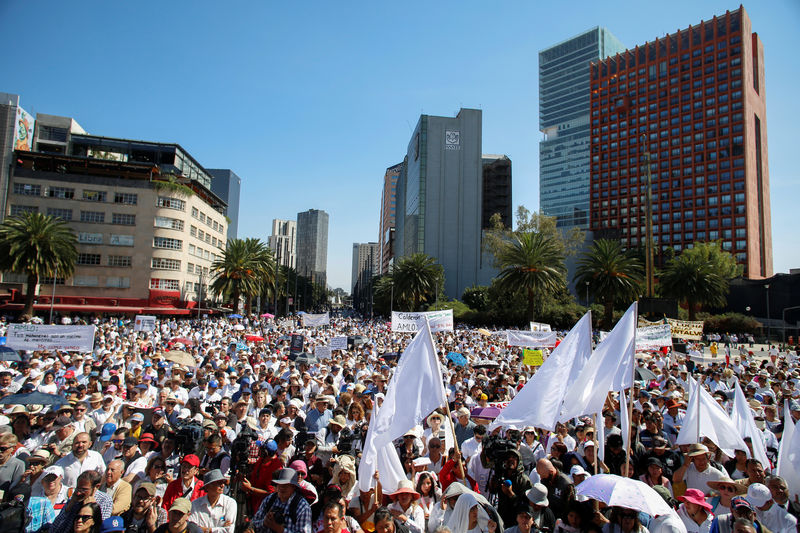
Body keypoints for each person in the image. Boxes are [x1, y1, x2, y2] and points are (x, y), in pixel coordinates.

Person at [252, 468, 313, 533]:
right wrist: (264, 522)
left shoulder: (302, 507)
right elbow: (253, 524)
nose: (282, 487)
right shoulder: (269, 499)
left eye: (286, 485)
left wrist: (281, 530)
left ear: (294, 487)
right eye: (280, 484)